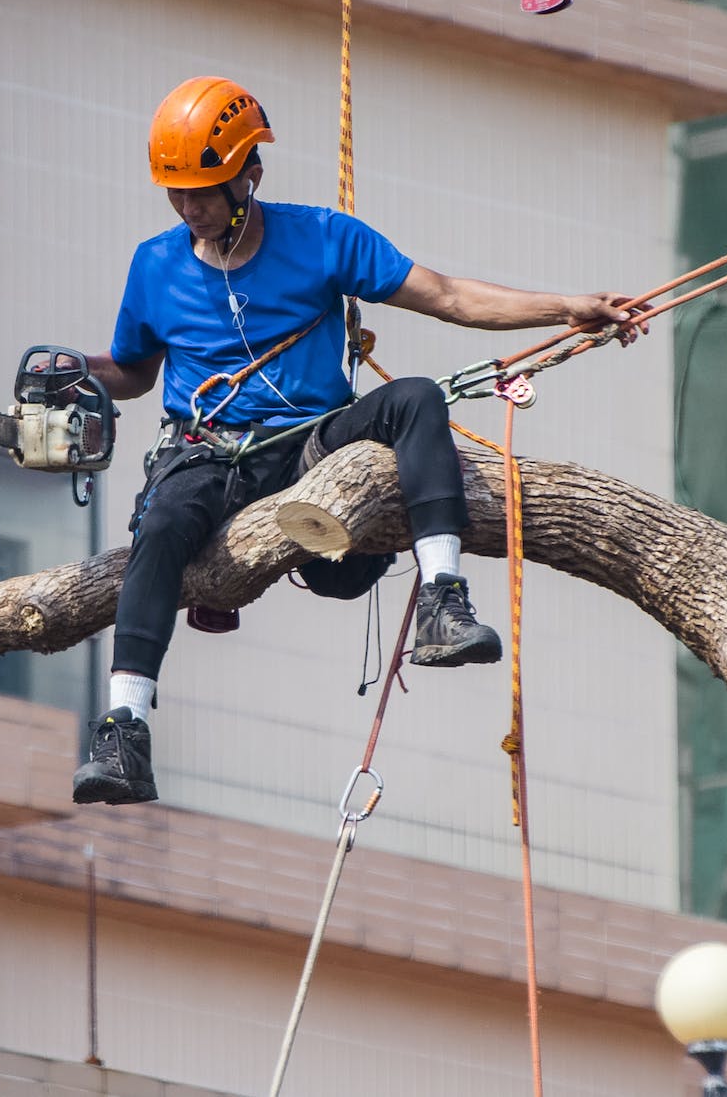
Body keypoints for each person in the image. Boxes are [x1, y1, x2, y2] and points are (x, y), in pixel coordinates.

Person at [69, 76, 645, 805]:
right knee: (159, 527)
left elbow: (448, 296)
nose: (190, 208)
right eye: (176, 193)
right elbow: (135, 371)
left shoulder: (320, 239)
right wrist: (76, 370)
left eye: (205, 191)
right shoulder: (155, 264)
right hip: (208, 453)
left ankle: (443, 599)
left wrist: (568, 308)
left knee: (415, 398)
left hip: (312, 443)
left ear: (250, 173)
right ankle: (126, 730)